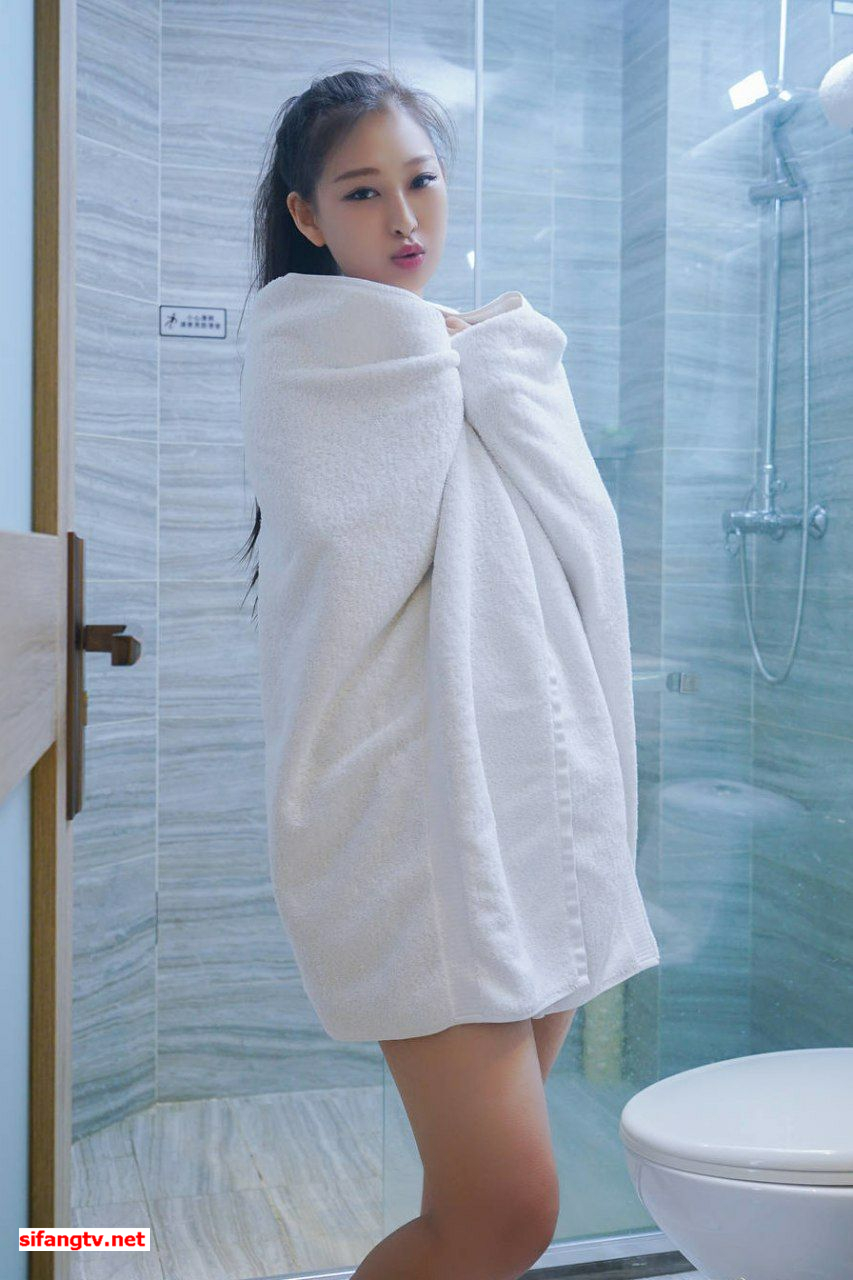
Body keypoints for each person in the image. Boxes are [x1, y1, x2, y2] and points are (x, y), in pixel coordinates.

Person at [238, 63, 637, 1280]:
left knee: (475, 1205)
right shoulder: (312, 356)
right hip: (417, 822)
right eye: (362, 193)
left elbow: (580, 536)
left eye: (420, 181)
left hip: (529, 798)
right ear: (307, 216)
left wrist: (486, 366)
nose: (404, 218)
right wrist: (457, 364)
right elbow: (353, 540)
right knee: (504, 1215)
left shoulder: (477, 354)